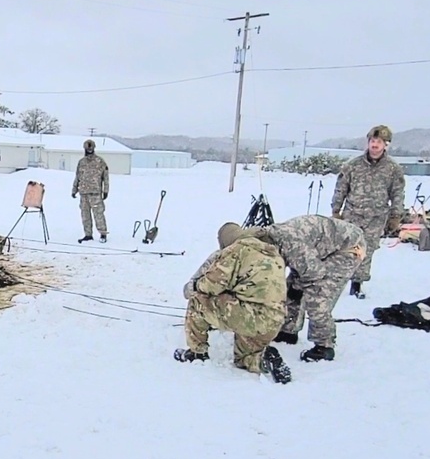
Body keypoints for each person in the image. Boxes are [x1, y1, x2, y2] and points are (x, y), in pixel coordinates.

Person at [174, 222, 291, 384]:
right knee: (244, 358)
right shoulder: (272, 253)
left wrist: (194, 286)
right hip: (274, 319)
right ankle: (263, 359)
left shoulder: (237, 249)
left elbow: (212, 284)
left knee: (198, 299)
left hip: (250, 316)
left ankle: (196, 353)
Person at [249, 215, 366, 362]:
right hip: (320, 250)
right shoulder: (268, 238)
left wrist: (299, 286)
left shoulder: (291, 245)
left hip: (347, 249)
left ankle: (324, 346)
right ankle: (288, 331)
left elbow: (314, 273)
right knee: (291, 288)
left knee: (317, 296)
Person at [331, 125, 406, 298]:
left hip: (376, 217)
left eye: (379, 142)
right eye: (372, 141)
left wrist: (395, 216)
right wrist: (336, 210)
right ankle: (339, 280)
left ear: (385, 145)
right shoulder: (352, 165)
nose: (375, 145)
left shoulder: (393, 169)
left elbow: (397, 193)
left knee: (366, 251)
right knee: (346, 248)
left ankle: (356, 285)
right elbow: (340, 188)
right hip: (352, 214)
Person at [72, 139, 109, 243]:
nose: (89, 150)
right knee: (85, 215)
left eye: (90, 148)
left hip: (95, 194)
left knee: (99, 215)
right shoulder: (81, 162)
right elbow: (77, 177)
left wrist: (106, 190)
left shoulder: (100, 161)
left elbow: (105, 177)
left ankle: (103, 234)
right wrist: (74, 189)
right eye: (87, 148)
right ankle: (88, 234)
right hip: (83, 193)